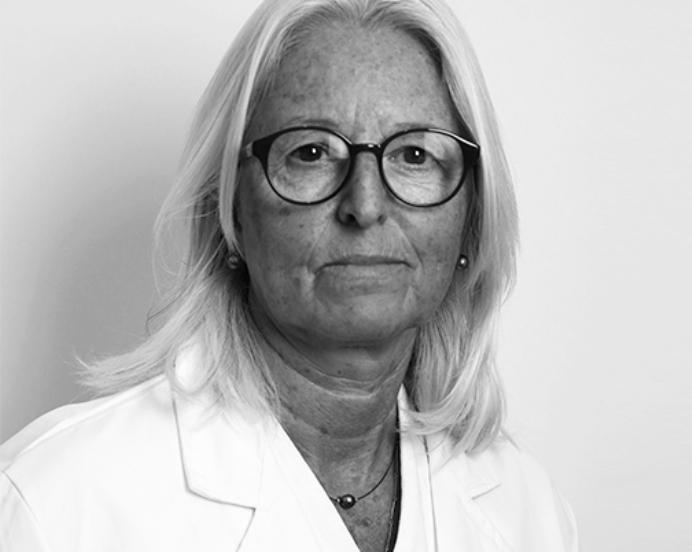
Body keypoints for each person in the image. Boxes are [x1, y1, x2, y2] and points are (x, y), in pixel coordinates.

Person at [0, 0, 578, 550]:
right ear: (230, 210)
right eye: (311, 153)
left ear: (471, 217)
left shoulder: (527, 508)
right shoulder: (57, 505)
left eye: (415, 156)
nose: (365, 205)